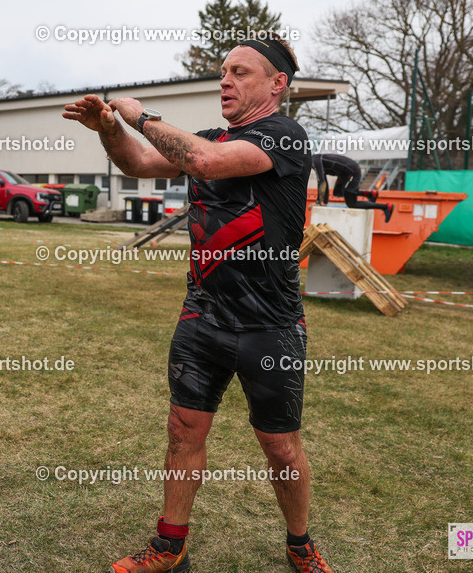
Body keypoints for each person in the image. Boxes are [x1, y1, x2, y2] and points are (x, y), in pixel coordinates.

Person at [63, 34, 334, 573]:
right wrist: (109, 130)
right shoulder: (206, 137)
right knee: (183, 431)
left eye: (240, 73)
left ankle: (300, 543)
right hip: (202, 317)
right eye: (223, 72)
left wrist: (142, 114)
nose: (225, 82)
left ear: (277, 84)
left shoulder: (285, 136)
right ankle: (170, 548)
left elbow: (206, 162)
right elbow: (139, 164)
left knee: (280, 447)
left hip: (270, 327)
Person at [312, 153, 393, 222]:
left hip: (352, 172)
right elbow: (324, 181)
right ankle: (370, 194)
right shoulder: (315, 159)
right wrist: (324, 202)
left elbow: (321, 182)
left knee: (352, 203)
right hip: (343, 174)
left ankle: (385, 207)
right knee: (337, 192)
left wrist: (318, 202)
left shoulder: (314, 162)